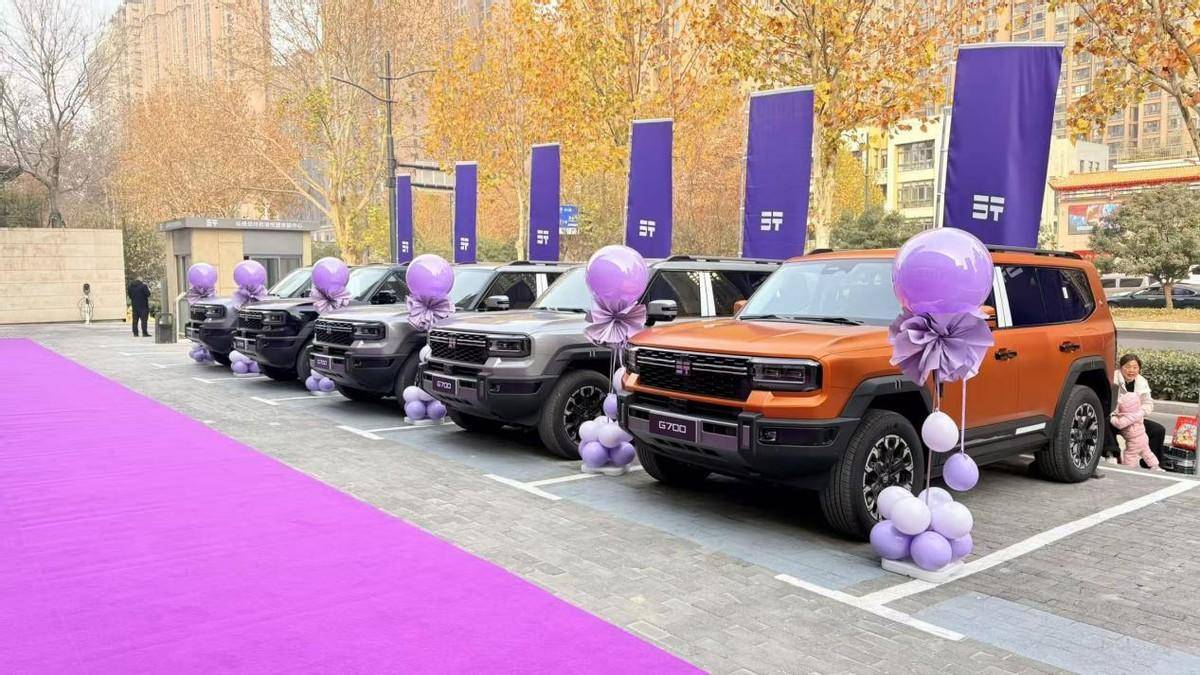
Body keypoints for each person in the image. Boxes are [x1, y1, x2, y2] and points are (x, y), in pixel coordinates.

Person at [1112, 353, 1167, 467]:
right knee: (1106, 423)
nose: (1131, 370)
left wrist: (1138, 414)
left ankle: (1152, 464)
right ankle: (1112, 455)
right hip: (1116, 418)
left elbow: (1148, 403)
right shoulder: (1113, 378)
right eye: (1127, 367)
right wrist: (1117, 415)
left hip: (1134, 420)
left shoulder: (1141, 381)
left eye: (1135, 367)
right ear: (1121, 367)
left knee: (1158, 430)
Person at [1110, 391, 1161, 471]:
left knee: (1129, 454)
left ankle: (1128, 468)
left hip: (1134, 441)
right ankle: (1155, 466)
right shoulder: (1138, 412)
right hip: (1143, 437)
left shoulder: (1129, 417)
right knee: (1147, 453)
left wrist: (1112, 417)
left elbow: (1119, 424)